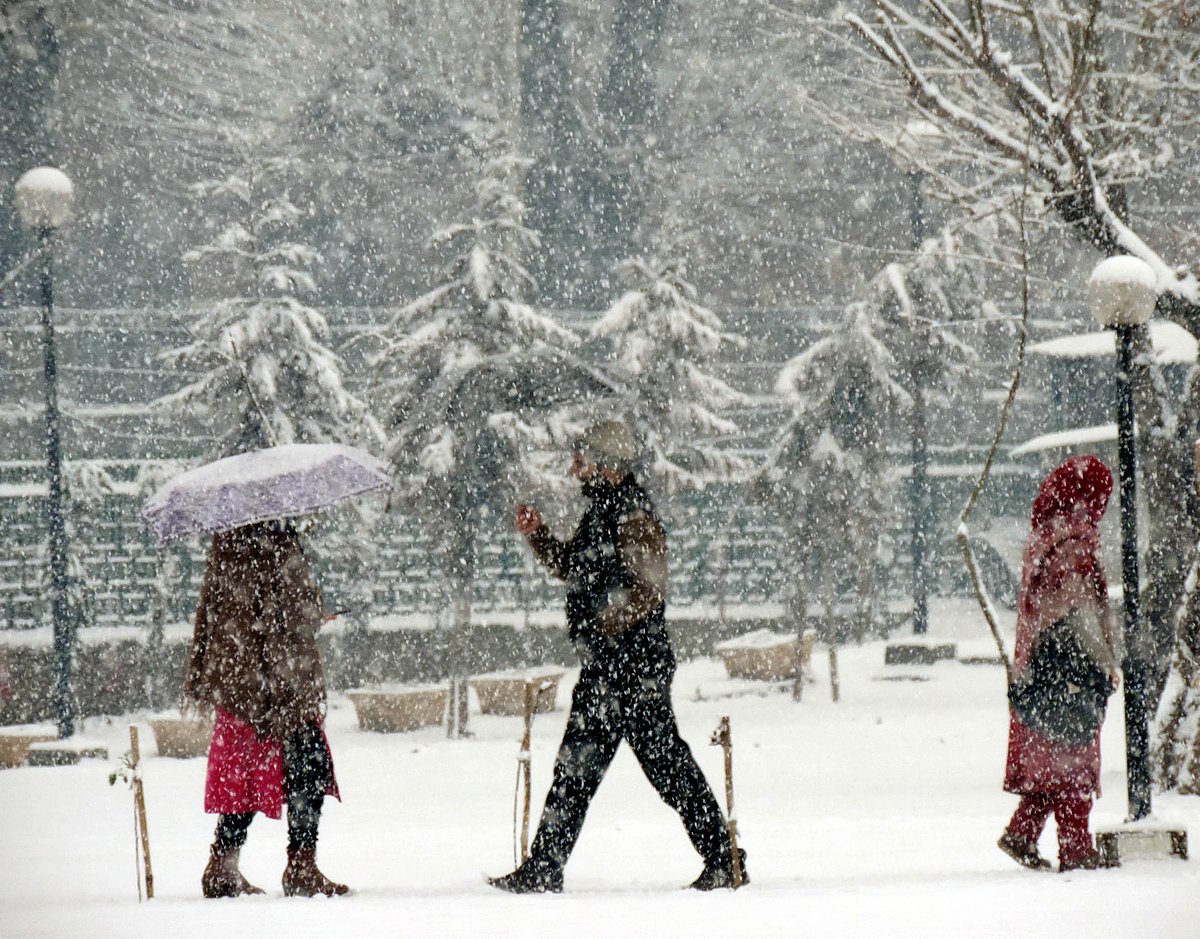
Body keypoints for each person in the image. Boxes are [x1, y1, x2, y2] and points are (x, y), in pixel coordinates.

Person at [488, 420, 744, 893]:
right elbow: (576, 568)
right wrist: (539, 535)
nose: (574, 470)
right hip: (609, 667)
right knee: (580, 766)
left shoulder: (632, 516)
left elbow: (648, 590)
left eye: (581, 462)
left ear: (607, 465)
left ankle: (724, 858)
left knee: (663, 767)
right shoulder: (602, 514)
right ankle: (544, 867)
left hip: (634, 668)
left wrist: (602, 626)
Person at [184, 520, 349, 898]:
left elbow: (226, 609)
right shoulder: (276, 538)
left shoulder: (228, 539)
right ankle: (301, 866)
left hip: (240, 679)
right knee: (308, 765)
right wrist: (315, 612)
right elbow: (288, 609)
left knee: (246, 773)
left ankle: (223, 865)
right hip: (278, 683)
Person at [998, 455, 1120, 873]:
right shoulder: (1074, 544)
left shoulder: (1044, 537)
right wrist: (1104, 659)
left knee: (1050, 762)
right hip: (1071, 674)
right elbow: (1079, 613)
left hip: (1041, 672)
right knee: (1072, 765)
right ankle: (1077, 851)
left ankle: (1022, 833)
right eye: (1100, 499)